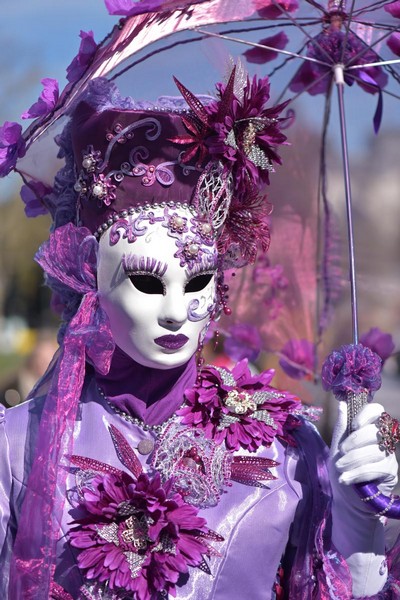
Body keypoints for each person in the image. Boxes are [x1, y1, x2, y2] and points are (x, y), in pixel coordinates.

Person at [0, 69, 399, 600]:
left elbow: (335, 585)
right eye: (145, 279)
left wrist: (362, 533)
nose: (175, 312)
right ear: (89, 277)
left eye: (197, 281)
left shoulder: (285, 446)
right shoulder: (18, 446)